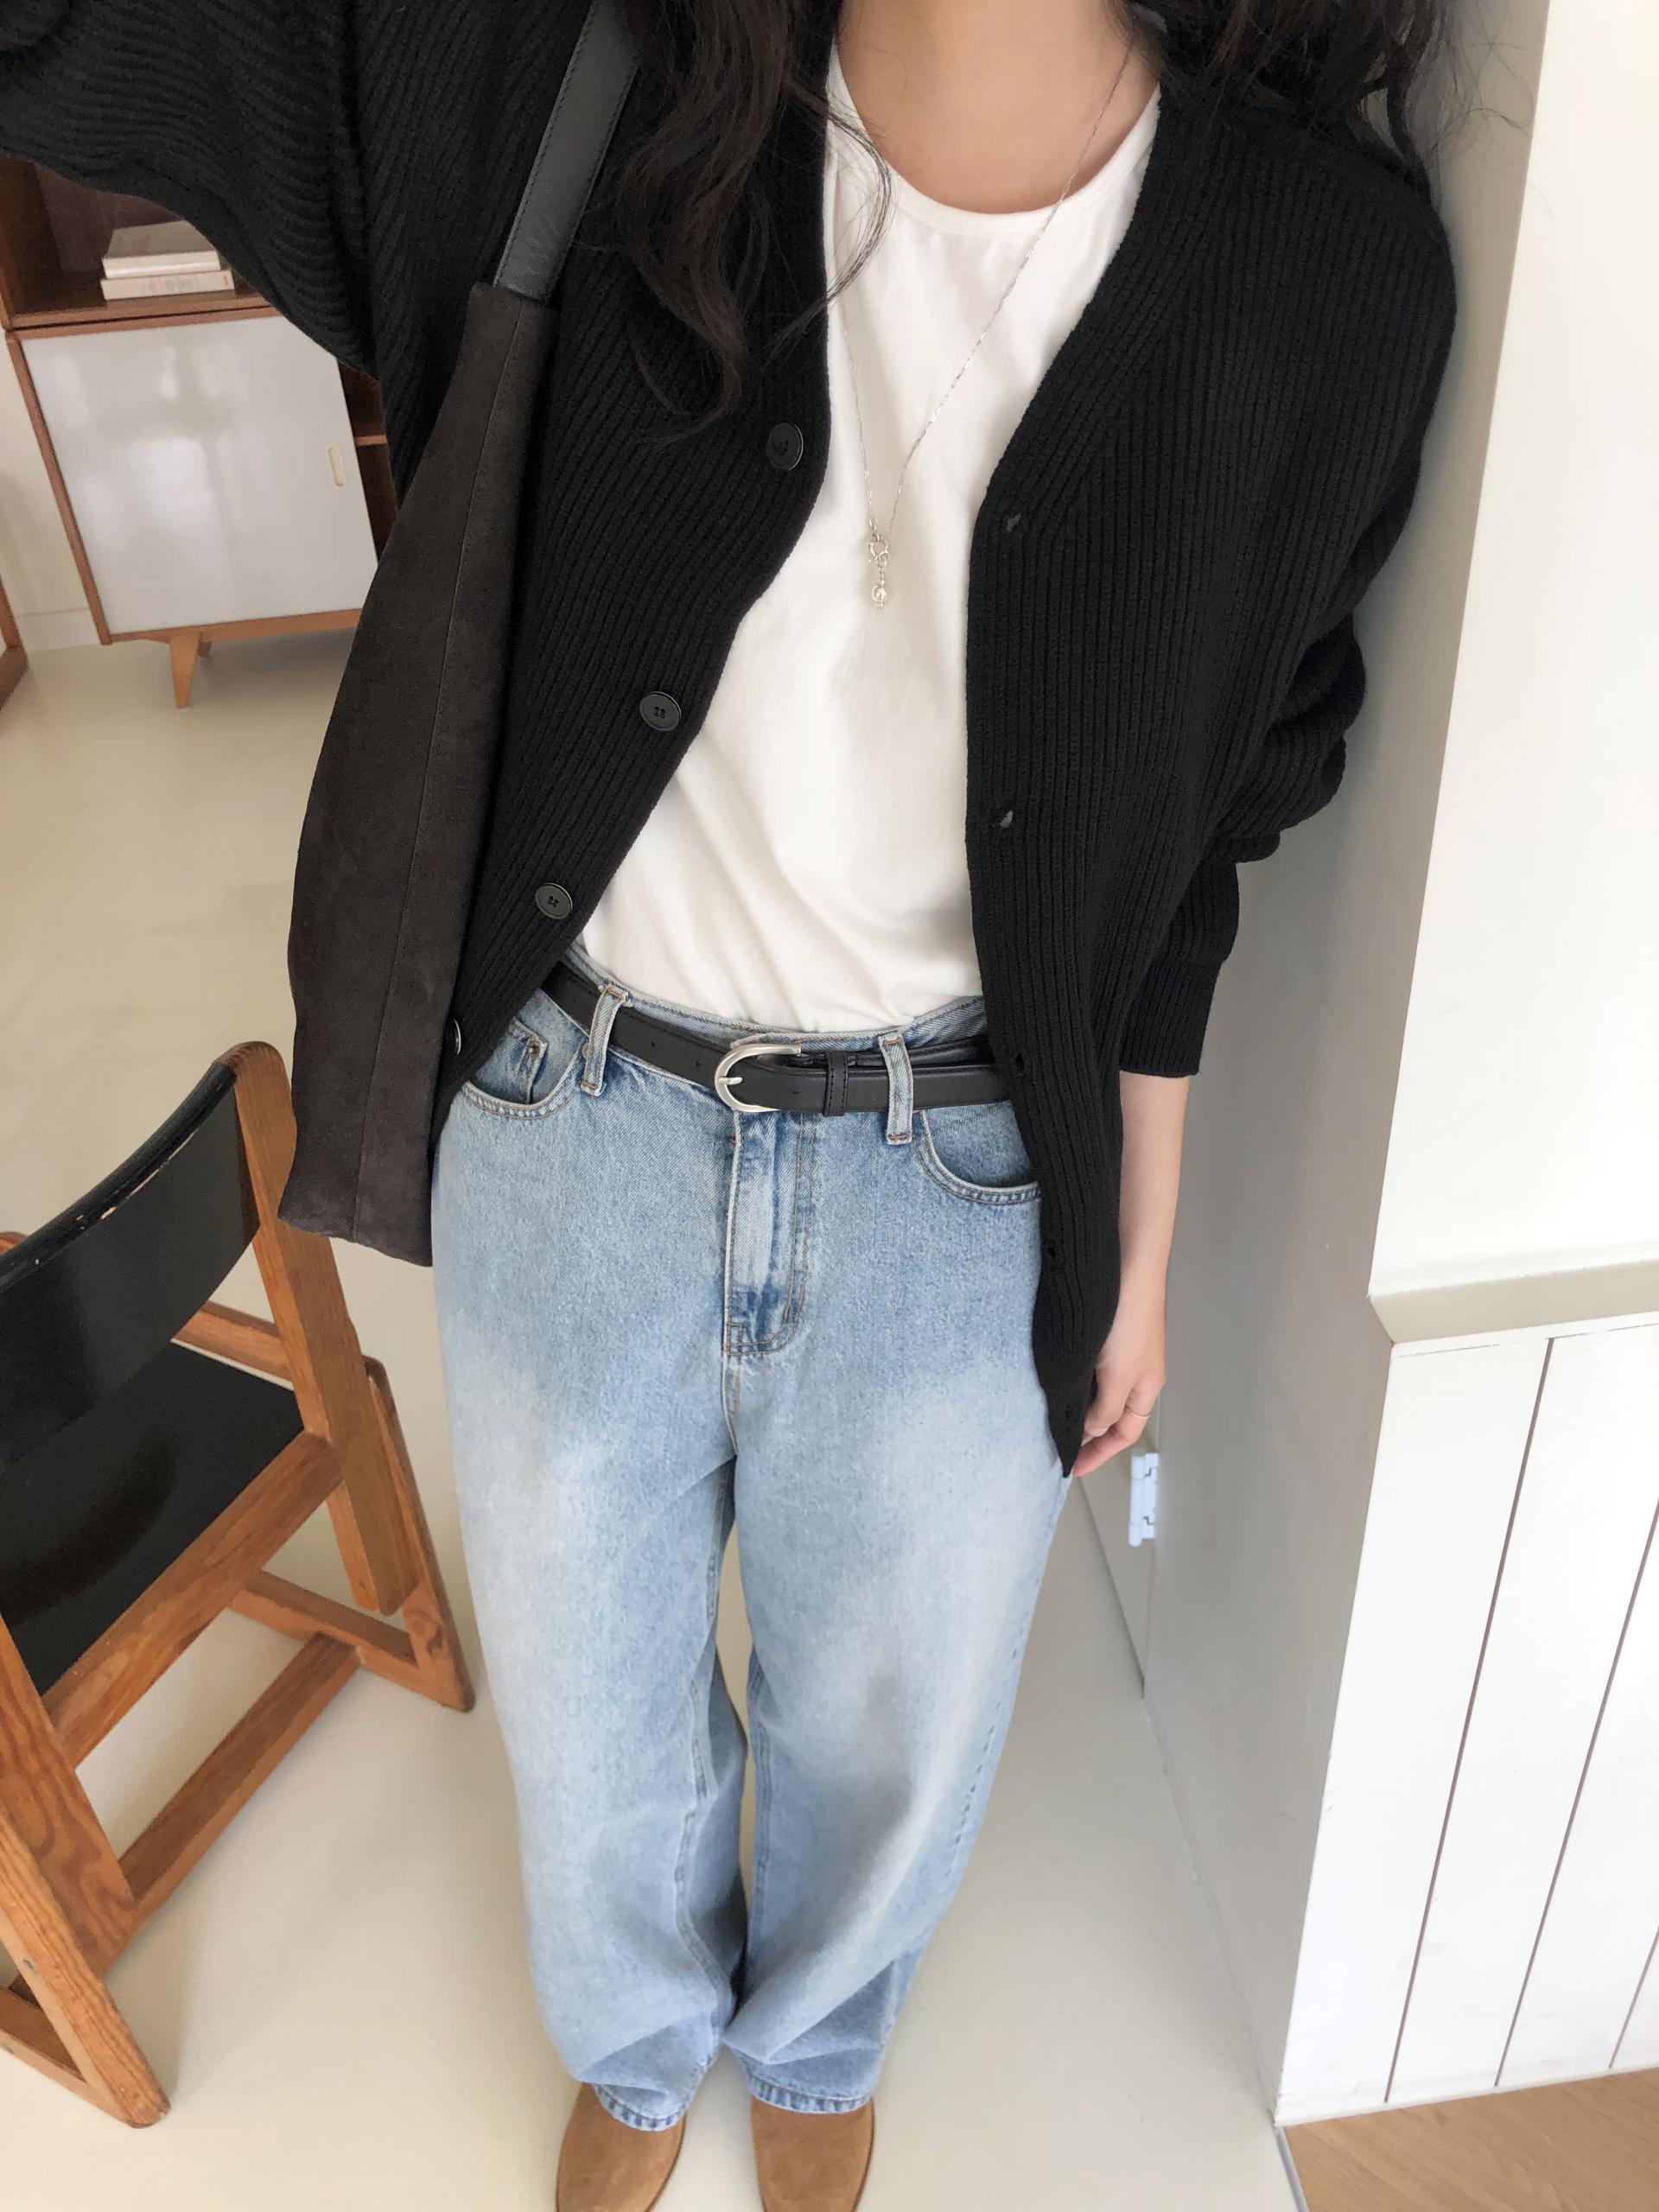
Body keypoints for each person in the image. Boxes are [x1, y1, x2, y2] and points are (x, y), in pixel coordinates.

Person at [1, 2, 1456, 2204]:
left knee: (894, 1724)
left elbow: (1234, 794)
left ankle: (821, 2038)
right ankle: (641, 2040)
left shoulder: (1328, 279)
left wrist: (1142, 1236)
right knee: (592, 1718)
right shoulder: (550, 82)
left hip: (970, 1169)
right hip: (573, 1115)